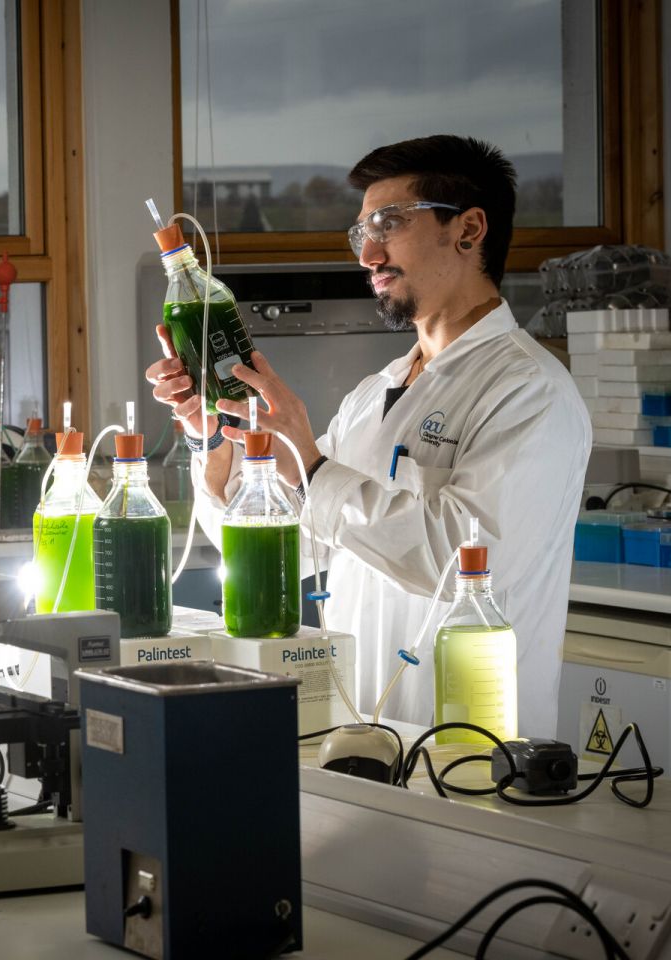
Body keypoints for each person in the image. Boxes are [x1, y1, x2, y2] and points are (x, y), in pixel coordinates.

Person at [146, 135, 591, 739]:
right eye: (361, 234)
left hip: (475, 749)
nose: (368, 255)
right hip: (359, 735)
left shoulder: (530, 390)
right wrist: (219, 441)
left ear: (468, 230)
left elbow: (461, 562)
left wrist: (309, 460)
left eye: (387, 224)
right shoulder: (373, 395)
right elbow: (289, 553)